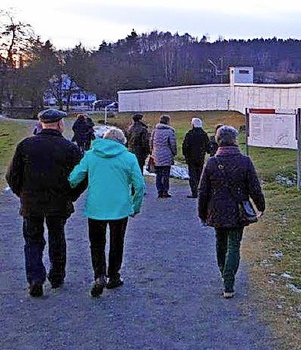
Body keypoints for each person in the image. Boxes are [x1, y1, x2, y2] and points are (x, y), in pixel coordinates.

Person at [5, 109, 84, 297]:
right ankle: (57, 276)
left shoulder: (26, 145)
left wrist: (22, 193)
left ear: (41, 124)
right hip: (58, 202)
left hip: (31, 202)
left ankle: (35, 278)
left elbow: (12, 175)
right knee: (57, 237)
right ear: (59, 124)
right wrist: (71, 195)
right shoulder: (69, 148)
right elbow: (81, 176)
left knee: (32, 240)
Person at [68, 127, 145, 297]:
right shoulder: (129, 157)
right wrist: (135, 206)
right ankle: (114, 275)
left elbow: (74, 178)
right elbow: (139, 186)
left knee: (96, 243)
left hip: (96, 207)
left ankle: (99, 274)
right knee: (117, 242)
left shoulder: (90, 155)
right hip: (120, 208)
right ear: (122, 141)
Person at [198, 125, 265, 298]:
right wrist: (260, 206)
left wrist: (202, 212)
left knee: (220, 242)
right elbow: (254, 188)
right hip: (238, 210)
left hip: (217, 210)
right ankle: (229, 281)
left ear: (218, 140)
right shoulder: (245, 161)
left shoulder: (212, 163)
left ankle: (224, 274)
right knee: (234, 244)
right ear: (234, 140)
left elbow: (203, 191)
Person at [182, 117, 211, 198]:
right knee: (199, 175)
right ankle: (200, 190)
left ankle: (194, 192)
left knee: (192, 176)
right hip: (200, 158)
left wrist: (185, 155)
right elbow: (208, 146)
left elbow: (185, 146)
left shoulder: (189, 134)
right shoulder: (204, 134)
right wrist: (208, 151)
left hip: (191, 158)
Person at [150, 114, 177, 198]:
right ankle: (165, 191)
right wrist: (174, 152)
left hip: (156, 154)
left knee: (158, 174)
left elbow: (150, 142)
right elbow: (172, 144)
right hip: (166, 154)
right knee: (166, 174)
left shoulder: (155, 131)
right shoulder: (170, 132)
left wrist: (152, 151)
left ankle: (159, 191)